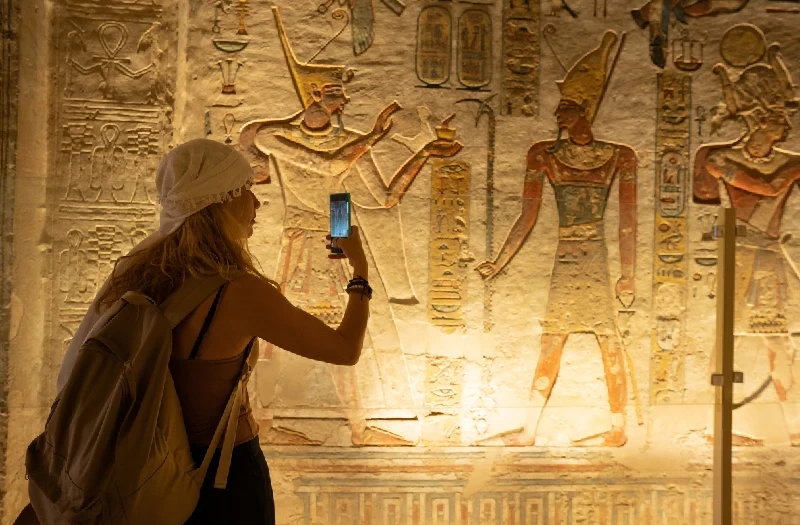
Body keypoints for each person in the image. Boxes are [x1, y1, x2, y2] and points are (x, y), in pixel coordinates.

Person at [49, 138, 374, 523]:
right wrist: (359, 271)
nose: (256, 203)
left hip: (145, 475)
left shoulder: (135, 272)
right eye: (246, 191)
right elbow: (344, 349)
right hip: (223, 479)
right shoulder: (238, 292)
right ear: (220, 202)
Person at [475, 31, 636, 447]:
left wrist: (628, 275)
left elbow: (627, 222)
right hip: (567, 258)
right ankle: (529, 429)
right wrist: (500, 261)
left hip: (595, 258)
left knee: (608, 338)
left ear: (585, 110)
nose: (557, 113)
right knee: (553, 337)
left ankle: (619, 428)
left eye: (565, 106)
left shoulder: (620, 155)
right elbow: (528, 216)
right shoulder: (542, 153)